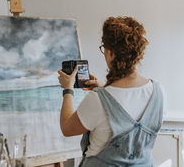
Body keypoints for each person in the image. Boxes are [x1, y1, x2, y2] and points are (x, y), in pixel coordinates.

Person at [58, 16, 164, 167]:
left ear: (112, 53)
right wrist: (104, 88)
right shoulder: (158, 92)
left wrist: (68, 89)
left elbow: (67, 128)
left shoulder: (96, 100)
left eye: (104, 48)